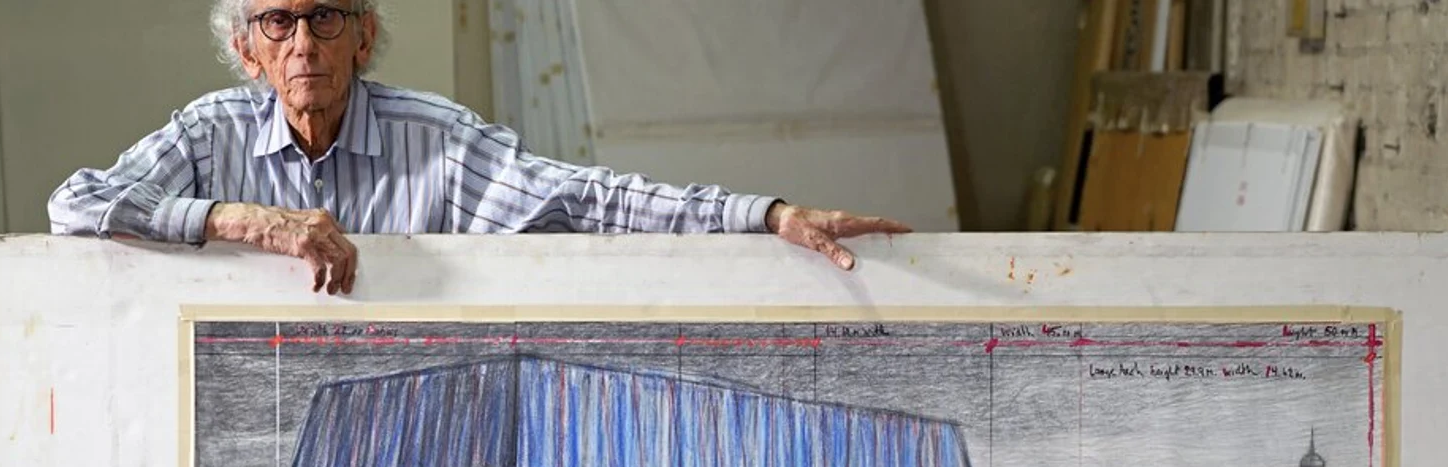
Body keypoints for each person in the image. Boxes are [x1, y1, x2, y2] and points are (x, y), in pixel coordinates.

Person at [48, 0, 911, 295]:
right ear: (249, 48)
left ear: (364, 37)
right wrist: (246, 221)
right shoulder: (210, 134)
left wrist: (765, 214)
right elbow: (74, 205)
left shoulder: (435, 142)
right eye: (279, 20)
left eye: (326, 17)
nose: (303, 40)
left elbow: (585, 198)